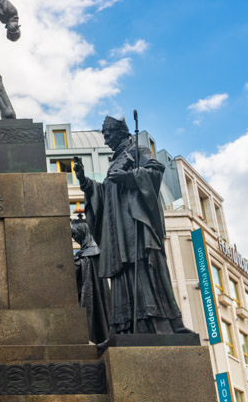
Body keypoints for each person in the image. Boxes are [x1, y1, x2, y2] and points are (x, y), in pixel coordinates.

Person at [73, 116, 185, 334]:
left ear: (120, 133)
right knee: (123, 273)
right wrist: (85, 182)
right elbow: (106, 193)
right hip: (118, 232)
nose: (106, 141)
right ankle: (128, 326)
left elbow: (155, 171)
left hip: (135, 227)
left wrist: (129, 177)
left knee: (142, 267)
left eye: (108, 136)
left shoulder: (137, 151)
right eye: (105, 137)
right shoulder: (116, 161)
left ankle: (153, 322)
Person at [71, 215, 111, 347]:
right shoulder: (85, 254)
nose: (75, 239)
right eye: (73, 236)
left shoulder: (93, 253)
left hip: (95, 298)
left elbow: (81, 268)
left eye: (76, 235)